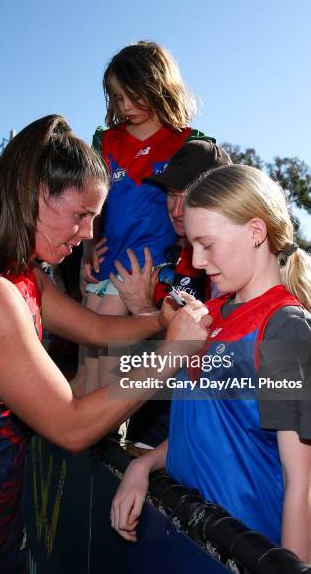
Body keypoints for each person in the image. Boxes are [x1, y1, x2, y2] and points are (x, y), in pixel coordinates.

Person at [0, 115, 212, 573]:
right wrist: (171, 356)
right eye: (81, 215)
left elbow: (96, 328)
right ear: (35, 195)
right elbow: (71, 426)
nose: (89, 234)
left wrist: (159, 320)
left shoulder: (20, 271)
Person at [111, 165, 311, 565]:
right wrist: (144, 463)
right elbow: (208, 424)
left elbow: (301, 481)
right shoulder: (207, 316)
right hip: (185, 541)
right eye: (191, 245)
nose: (197, 261)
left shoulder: (285, 329)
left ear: (255, 232)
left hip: (242, 553)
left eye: (207, 244)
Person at [81, 40, 215, 390]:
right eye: (117, 97)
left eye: (132, 95)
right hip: (107, 265)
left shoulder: (190, 143)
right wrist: (88, 248)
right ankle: (84, 435)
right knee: (89, 366)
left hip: (150, 271)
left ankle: (107, 436)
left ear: (158, 85)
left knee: (110, 371)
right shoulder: (106, 141)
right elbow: (91, 201)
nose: (124, 106)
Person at [107, 140, 232, 447]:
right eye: (171, 195)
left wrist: (140, 308)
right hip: (149, 420)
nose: (177, 210)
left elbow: (209, 355)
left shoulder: (230, 264)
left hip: (200, 435)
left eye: (188, 197)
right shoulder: (164, 251)